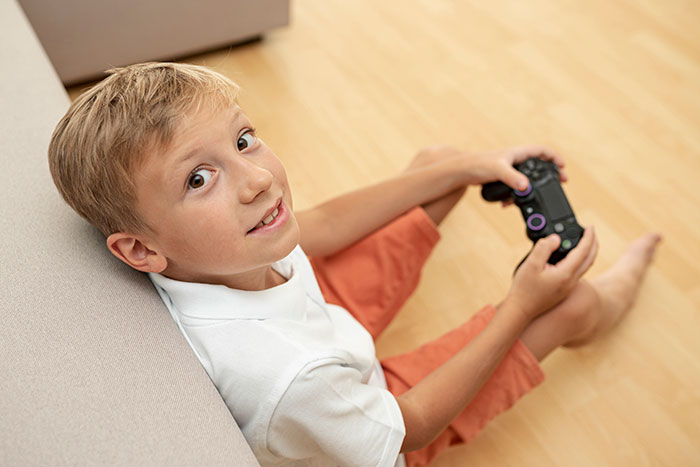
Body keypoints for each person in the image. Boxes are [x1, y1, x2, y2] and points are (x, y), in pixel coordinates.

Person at [48, 62, 661, 467]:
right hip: (371, 403)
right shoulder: (292, 378)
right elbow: (411, 423)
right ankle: (627, 276)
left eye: (242, 141)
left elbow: (329, 225)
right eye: (200, 178)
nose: (258, 179)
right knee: (570, 302)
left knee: (438, 162)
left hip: (315, 318)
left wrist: (468, 167)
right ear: (139, 250)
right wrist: (520, 305)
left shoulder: (221, 255)